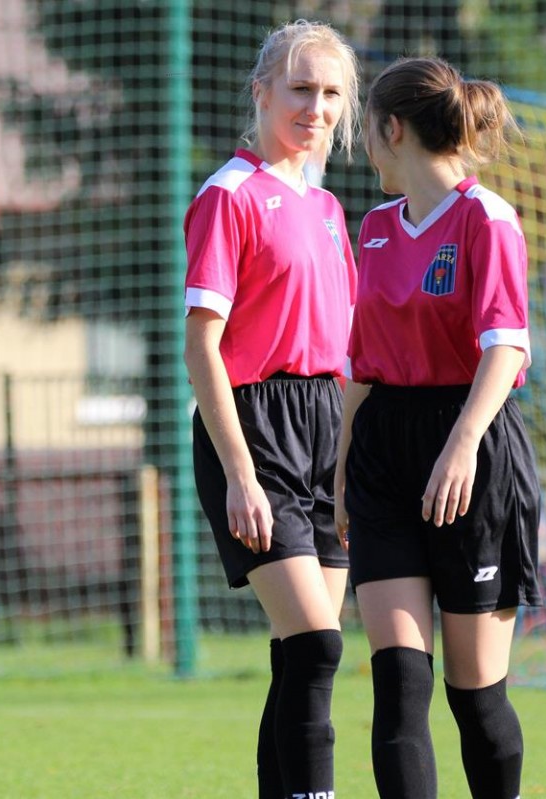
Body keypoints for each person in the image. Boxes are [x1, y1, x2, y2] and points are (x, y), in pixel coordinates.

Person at [335, 57, 542, 799]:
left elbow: (506, 346)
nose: (363, 145)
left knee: (475, 698)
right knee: (398, 683)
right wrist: (341, 470)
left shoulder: (487, 218)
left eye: (365, 128)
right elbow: (361, 364)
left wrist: (460, 446)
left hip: (473, 453)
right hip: (384, 454)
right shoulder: (375, 228)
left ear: (391, 129)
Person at [182, 19, 361, 799]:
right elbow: (202, 346)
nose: (315, 107)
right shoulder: (229, 196)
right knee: (316, 645)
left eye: (331, 93)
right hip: (255, 429)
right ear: (261, 92)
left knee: (301, 654)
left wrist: (352, 460)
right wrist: (240, 474)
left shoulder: (326, 207)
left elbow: (346, 348)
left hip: (326, 426)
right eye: (300, 88)